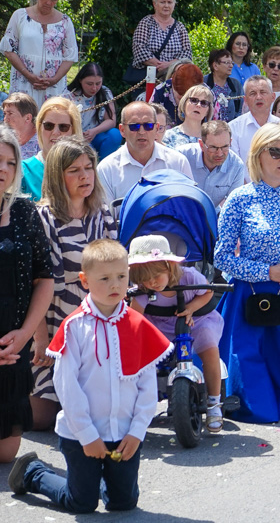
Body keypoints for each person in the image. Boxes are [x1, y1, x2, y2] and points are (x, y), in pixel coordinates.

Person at [8, 239, 170, 511]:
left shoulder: (138, 325)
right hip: (80, 434)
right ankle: (32, 472)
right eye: (105, 278)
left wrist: (138, 430)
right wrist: (86, 434)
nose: (115, 285)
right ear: (85, 280)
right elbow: (66, 386)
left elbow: (147, 385)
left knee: (124, 502)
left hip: (124, 433)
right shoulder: (74, 328)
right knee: (81, 503)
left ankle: (99, 480)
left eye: (121, 276)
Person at [215, 123, 280, 422]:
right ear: (258, 155)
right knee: (255, 392)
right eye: (275, 151)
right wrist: (267, 272)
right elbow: (221, 257)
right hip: (251, 299)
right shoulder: (240, 198)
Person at [33, 139, 117, 432]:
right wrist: (40, 339)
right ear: (58, 175)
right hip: (56, 323)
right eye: (74, 170)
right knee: (42, 419)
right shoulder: (42, 218)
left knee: (95, 415)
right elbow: (37, 284)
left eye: (89, 167)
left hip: (100, 325)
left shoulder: (104, 213)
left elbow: (117, 273)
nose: (85, 176)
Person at [128, 235, 224, 433]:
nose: (152, 282)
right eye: (145, 279)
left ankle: (214, 404)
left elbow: (206, 292)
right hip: (159, 325)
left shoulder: (188, 276)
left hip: (195, 320)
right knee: (138, 354)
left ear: (169, 266)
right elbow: (136, 316)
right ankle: (135, 404)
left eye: (156, 276)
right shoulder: (143, 289)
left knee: (210, 349)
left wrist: (191, 308)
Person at [0, 127, 53, 463]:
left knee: (6, 456)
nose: (3, 168)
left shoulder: (23, 211)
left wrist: (25, 335)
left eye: (10, 161)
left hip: (12, 349)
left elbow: (44, 278)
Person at [1, 0, 77, 108]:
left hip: (53, 86)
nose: (49, 2)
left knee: (51, 121)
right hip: (23, 82)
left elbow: (70, 56)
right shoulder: (20, 16)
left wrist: (54, 79)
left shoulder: (65, 21)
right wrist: (28, 74)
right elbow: (8, 49)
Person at [96, 102, 192, 206]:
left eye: (148, 125)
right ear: (122, 130)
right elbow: (106, 217)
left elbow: (189, 208)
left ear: (156, 128)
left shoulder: (178, 162)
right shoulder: (106, 169)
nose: (142, 132)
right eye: (134, 126)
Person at [22, 98, 82, 201]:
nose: (55, 132)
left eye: (63, 127)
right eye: (49, 126)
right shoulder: (23, 171)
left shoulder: (84, 170)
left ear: (73, 131)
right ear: (40, 128)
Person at [176, 120, 244, 210]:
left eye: (225, 147)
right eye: (213, 147)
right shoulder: (182, 156)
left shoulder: (236, 166)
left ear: (230, 142)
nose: (219, 153)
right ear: (201, 144)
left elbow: (235, 205)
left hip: (212, 216)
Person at [62, 63, 122, 159]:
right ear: (80, 80)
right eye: (89, 84)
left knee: (115, 134)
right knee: (85, 151)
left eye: (98, 83)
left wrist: (94, 131)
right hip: (75, 137)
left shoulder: (105, 92)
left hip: (96, 134)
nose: (94, 88)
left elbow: (111, 120)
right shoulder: (68, 95)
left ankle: (104, 167)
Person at [131, 0, 191, 77]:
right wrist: (159, 66)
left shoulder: (180, 27)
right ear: (155, 4)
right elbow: (139, 48)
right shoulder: (146, 22)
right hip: (148, 77)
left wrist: (169, 65)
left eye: (169, 2)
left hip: (174, 77)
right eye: (162, 2)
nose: (166, 5)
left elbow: (187, 54)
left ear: (174, 5)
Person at [228, 76, 280, 173]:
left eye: (263, 92)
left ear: (273, 97)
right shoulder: (233, 128)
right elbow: (234, 167)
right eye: (252, 93)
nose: (258, 97)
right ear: (245, 100)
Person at [162, 85, 214, 149]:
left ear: (208, 111)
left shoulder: (212, 139)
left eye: (204, 103)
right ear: (184, 104)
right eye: (194, 100)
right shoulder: (168, 136)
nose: (198, 105)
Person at [205, 49, 243, 123]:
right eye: (227, 63)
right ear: (215, 66)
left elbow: (240, 110)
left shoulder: (236, 85)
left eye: (232, 63)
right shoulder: (204, 84)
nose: (231, 66)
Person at [1, 93, 40, 159]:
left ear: (27, 118)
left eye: (10, 113)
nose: (5, 119)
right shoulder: (4, 139)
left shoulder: (42, 142)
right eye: (5, 114)